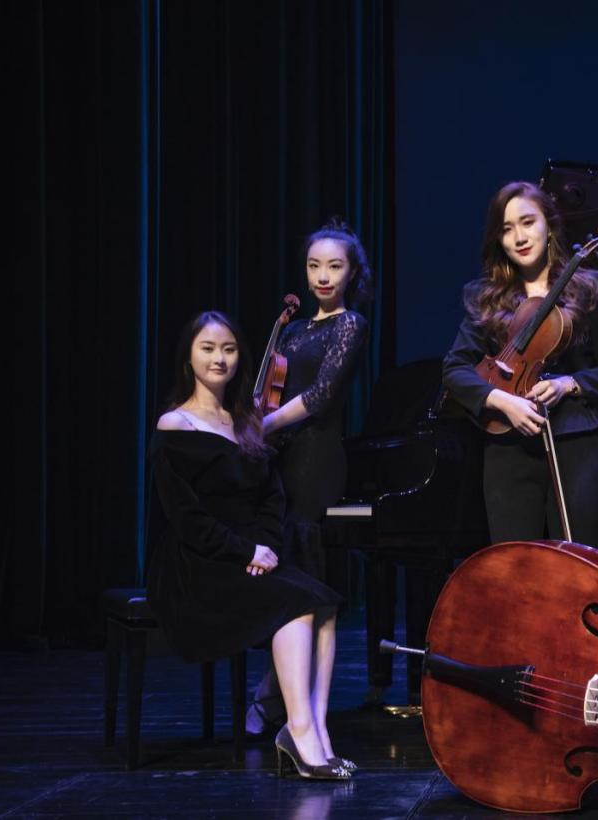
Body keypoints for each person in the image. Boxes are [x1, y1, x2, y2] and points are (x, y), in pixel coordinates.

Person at [149, 311, 350, 779]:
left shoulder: (245, 423)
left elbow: (270, 499)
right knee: (295, 602)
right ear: (188, 358)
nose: (219, 358)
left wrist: (264, 548)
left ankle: (317, 733)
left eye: (229, 349)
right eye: (207, 348)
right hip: (197, 562)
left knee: (325, 601)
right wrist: (245, 553)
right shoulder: (175, 424)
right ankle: (298, 731)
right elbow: (187, 517)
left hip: (250, 556)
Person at [443, 181, 598, 546]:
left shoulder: (590, 288)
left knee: (575, 564)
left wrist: (568, 384)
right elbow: (455, 369)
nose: (519, 237)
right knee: (514, 563)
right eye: (506, 229)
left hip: (577, 444)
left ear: (549, 224)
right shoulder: (486, 297)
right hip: (507, 446)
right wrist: (502, 401)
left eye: (528, 222)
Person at [246, 218, 371, 736]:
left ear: (351, 273)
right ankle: (274, 696)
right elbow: (269, 390)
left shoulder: (350, 324)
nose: (322, 276)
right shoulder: (293, 329)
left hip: (317, 462)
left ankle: (306, 717)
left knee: (316, 591)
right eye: (314, 265)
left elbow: (320, 397)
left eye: (334, 267)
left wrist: (264, 425)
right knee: (286, 588)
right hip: (279, 461)